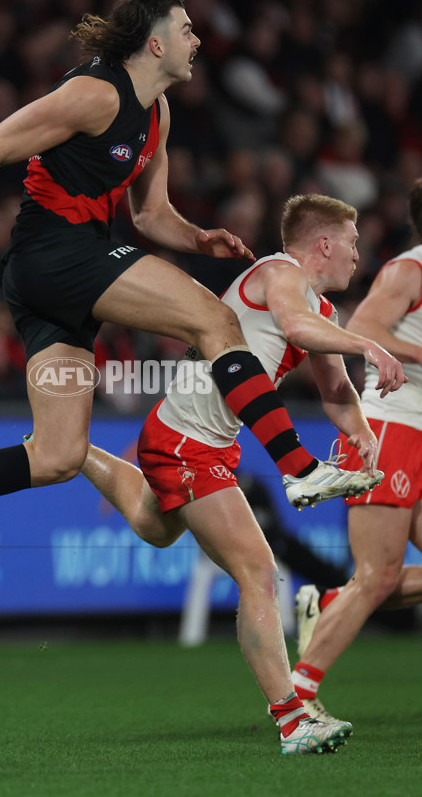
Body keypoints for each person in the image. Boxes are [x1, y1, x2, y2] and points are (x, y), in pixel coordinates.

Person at [0, 0, 402, 598]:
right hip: (53, 253)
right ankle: (299, 469)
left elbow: (149, 214)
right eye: (187, 30)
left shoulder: (157, 113)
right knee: (215, 320)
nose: (199, 41)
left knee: (57, 455)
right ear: (156, 43)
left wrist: (197, 237)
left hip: (61, 275)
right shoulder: (95, 94)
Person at [79, 193, 401, 754]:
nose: (358, 253)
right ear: (323, 243)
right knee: (257, 570)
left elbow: (334, 390)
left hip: (200, 441)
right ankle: (292, 720)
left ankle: (71, 451)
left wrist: (361, 432)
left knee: (155, 526)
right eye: (352, 242)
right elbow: (293, 326)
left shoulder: (322, 311)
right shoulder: (280, 272)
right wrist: (368, 345)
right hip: (188, 440)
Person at [293, 178, 422, 726]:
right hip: (390, 424)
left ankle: (327, 606)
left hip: (417, 428)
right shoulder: (410, 269)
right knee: (377, 575)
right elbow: (363, 327)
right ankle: (298, 694)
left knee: (377, 579)